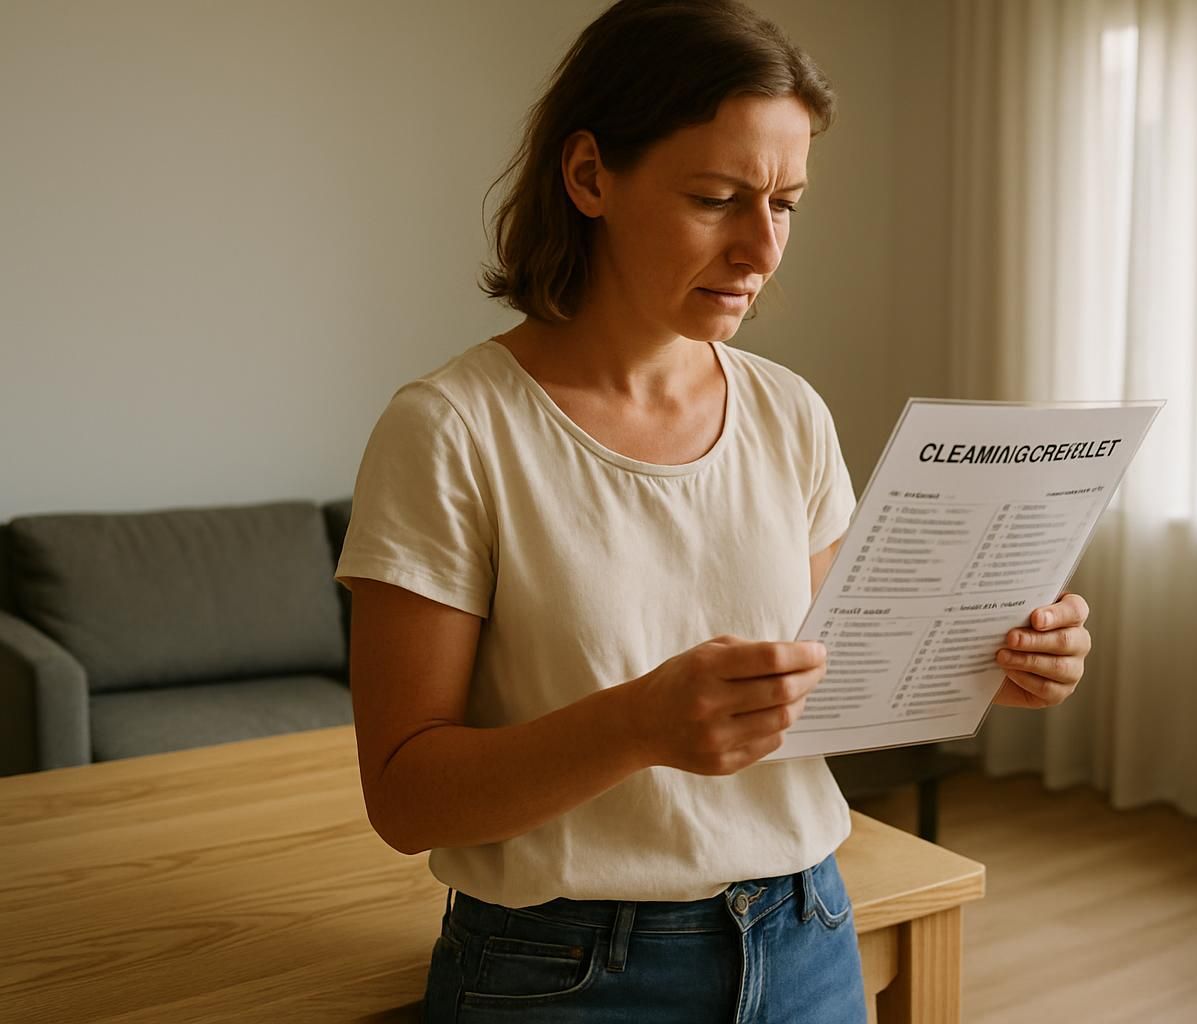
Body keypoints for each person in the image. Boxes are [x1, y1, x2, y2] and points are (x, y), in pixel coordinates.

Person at [334, 1, 1093, 1020]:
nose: (762, 249)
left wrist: (989, 660)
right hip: (562, 972)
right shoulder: (449, 430)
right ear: (590, 175)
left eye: (786, 203)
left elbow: (829, 683)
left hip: (808, 932)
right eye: (717, 197)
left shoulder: (789, 411)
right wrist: (637, 724)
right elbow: (405, 795)